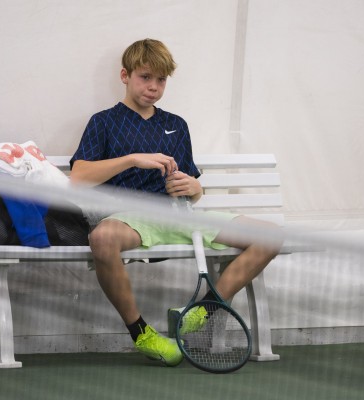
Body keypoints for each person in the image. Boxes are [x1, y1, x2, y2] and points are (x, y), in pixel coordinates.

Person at [69, 38, 281, 366]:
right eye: (145, 77)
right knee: (102, 238)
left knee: (271, 236)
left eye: (161, 80)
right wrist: (132, 159)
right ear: (125, 76)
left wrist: (194, 187)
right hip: (129, 218)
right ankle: (142, 333)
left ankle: (199, 312)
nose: (153, 87)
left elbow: (190, 189)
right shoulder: (104, 122)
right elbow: (78, 177)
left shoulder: (176, 125)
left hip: (179, 216)